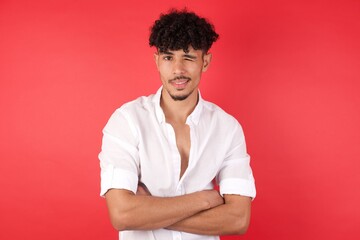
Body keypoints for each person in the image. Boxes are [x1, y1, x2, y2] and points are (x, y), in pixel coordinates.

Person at [99, 9, 256, 240]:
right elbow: (122, 214)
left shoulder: (227, 128)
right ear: (157, 61)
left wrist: (149, 212)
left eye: (189, 58)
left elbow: (238, 219)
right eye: (168, 57)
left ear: (205, 61)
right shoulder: (127, 121)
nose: (178, 70)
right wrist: (204, 200)